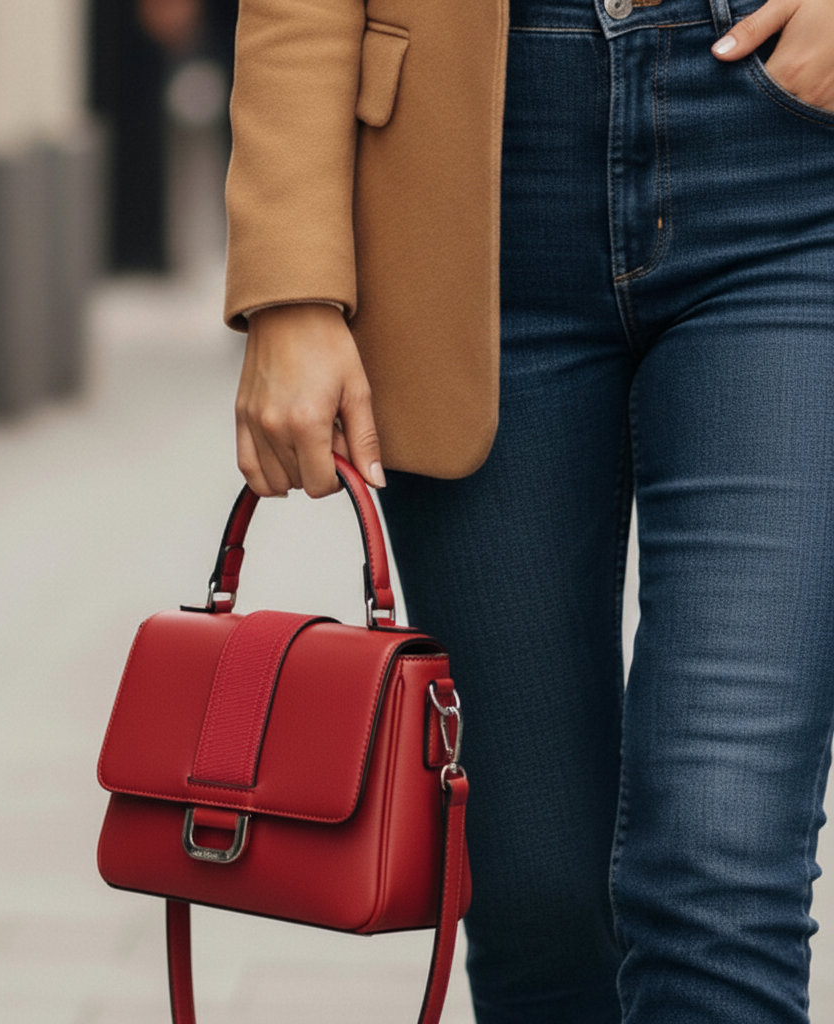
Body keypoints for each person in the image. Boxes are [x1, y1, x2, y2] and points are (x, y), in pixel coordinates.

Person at [223, 0, 834, 1019]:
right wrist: (290, 282)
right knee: (533, 891)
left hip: (784, 183)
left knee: (719, 856)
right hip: (460, 198)